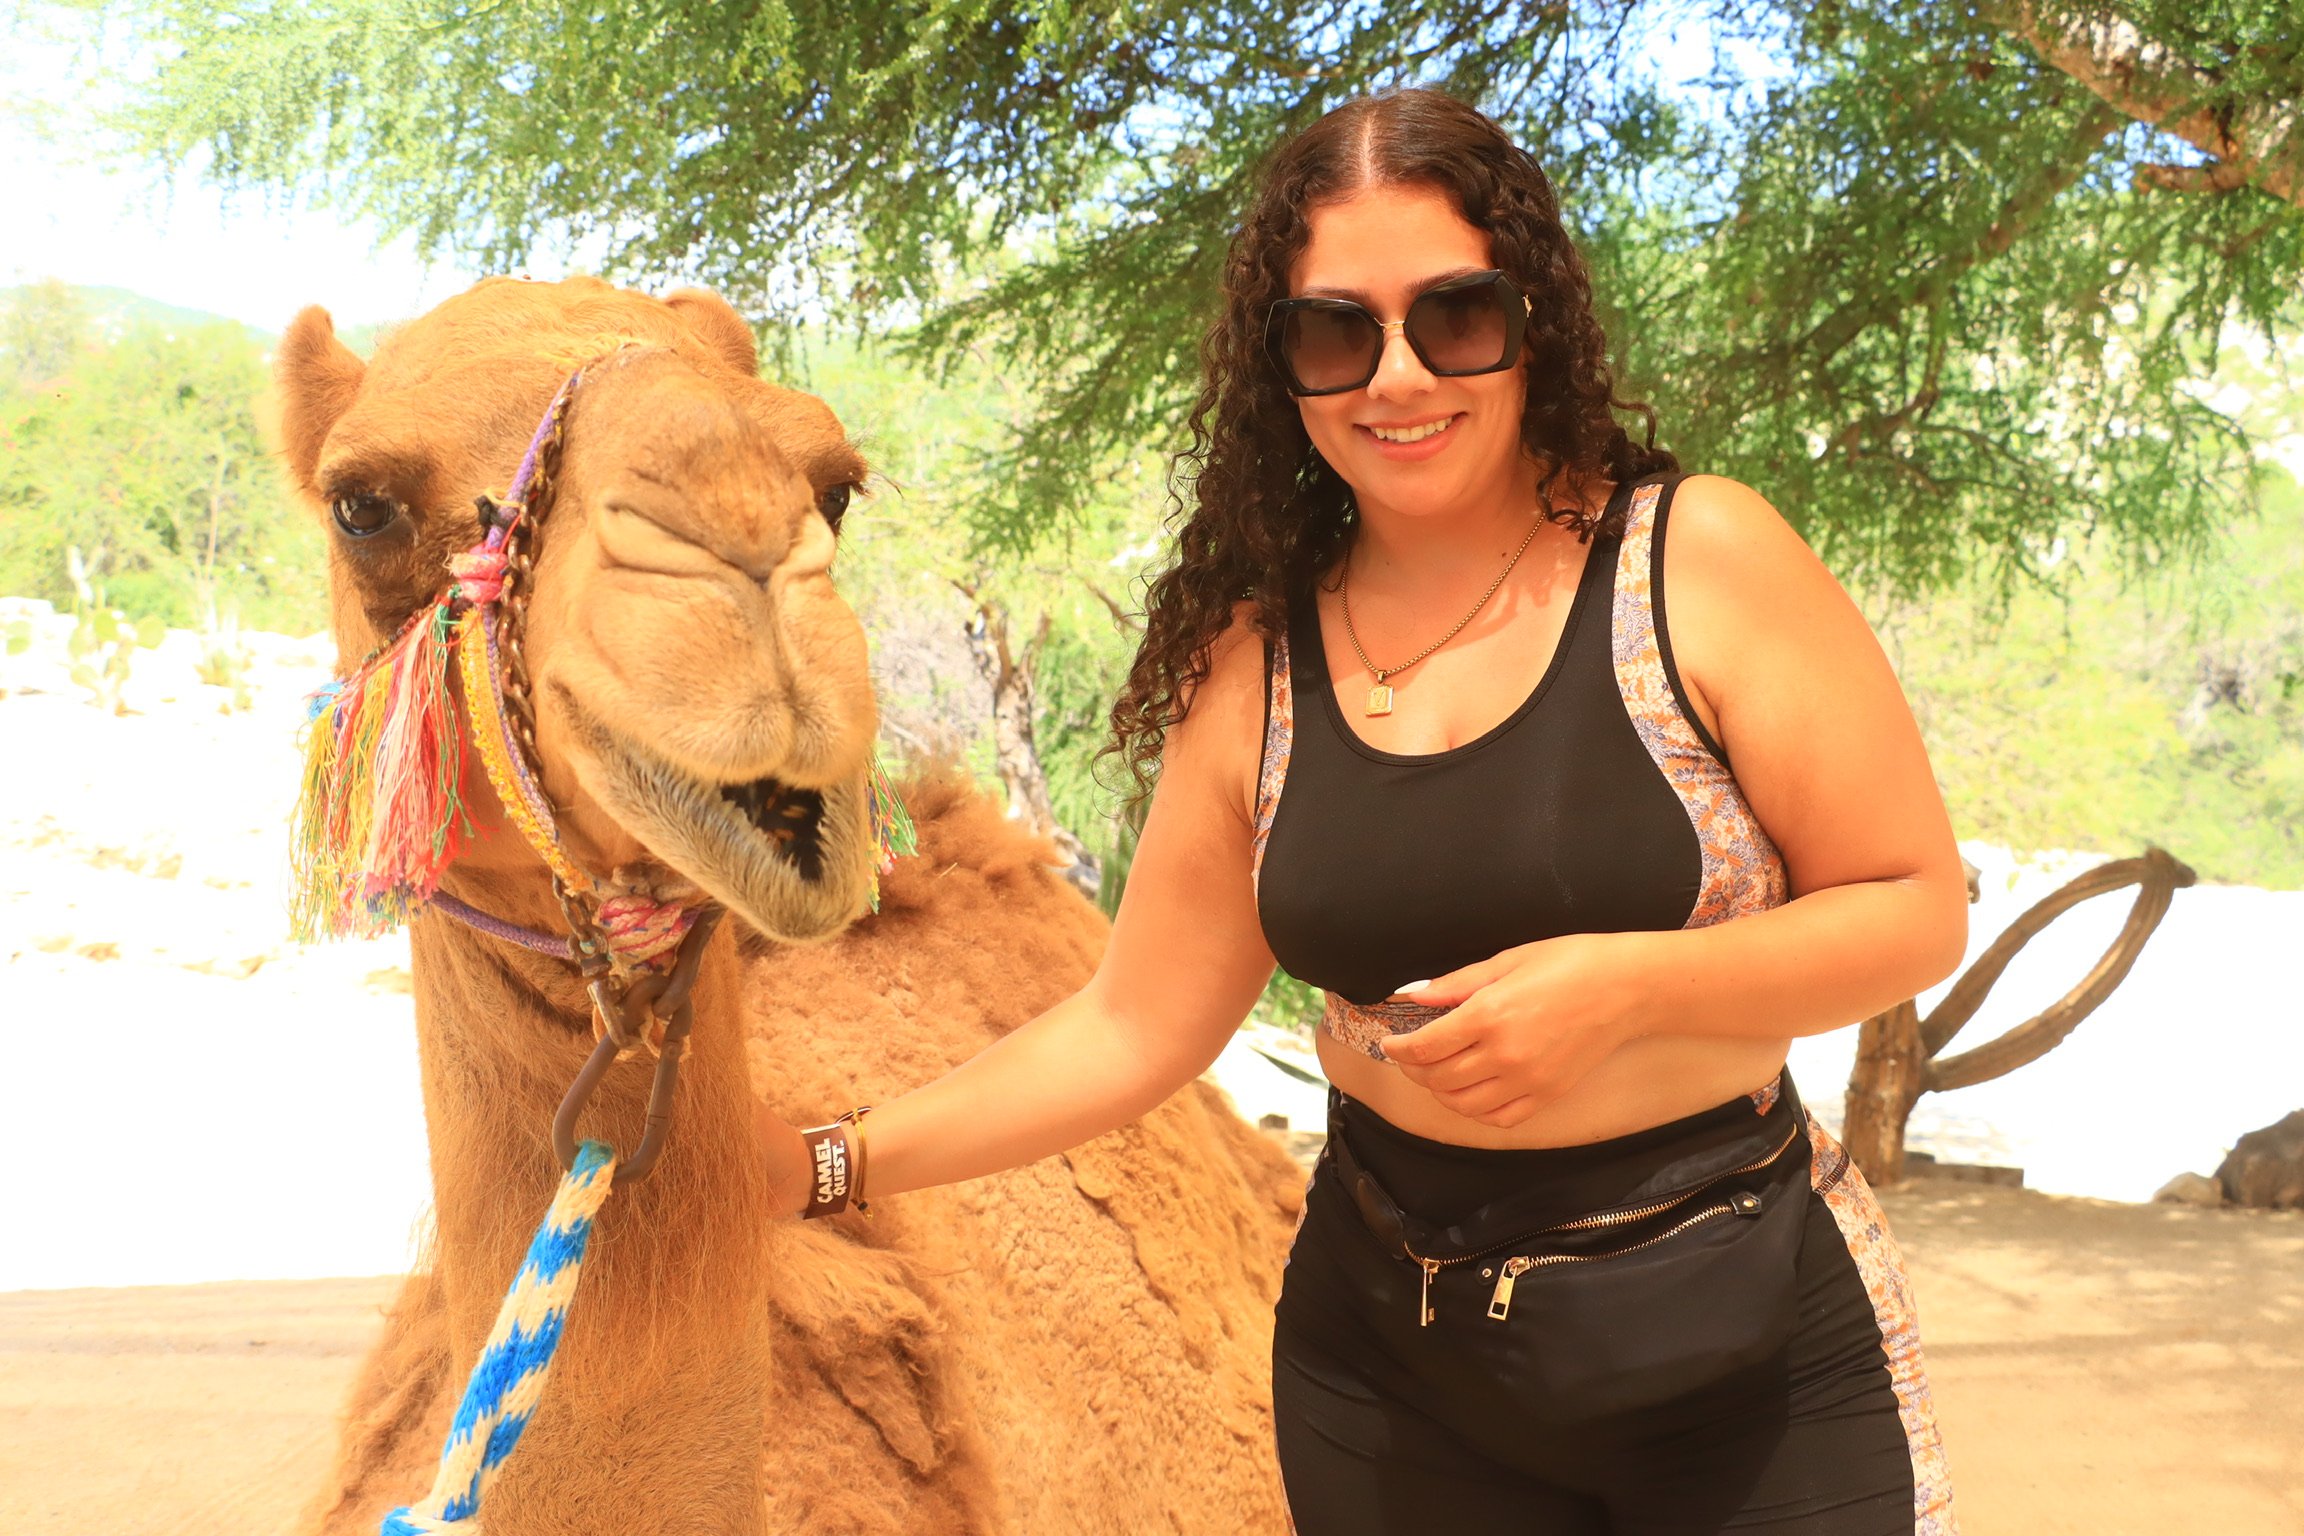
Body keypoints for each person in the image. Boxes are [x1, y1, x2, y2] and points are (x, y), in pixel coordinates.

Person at [763, 87, 1968, 1535]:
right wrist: (827, 1161)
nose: (1397, 377)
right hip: (1390, 1383)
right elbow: (1133, 1026)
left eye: (1453, 316)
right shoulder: (1257, 666)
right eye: (1337, 332)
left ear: (1534, 326)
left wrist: (1634, 986)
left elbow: (1914, 906)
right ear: (1283, 369)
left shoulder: (1692, 558)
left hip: (1740, 1369)